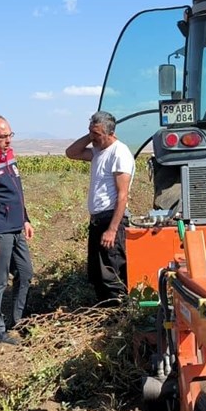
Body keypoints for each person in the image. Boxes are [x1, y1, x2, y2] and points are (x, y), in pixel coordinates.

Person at [65, 110, 134, 305]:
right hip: (98, 220)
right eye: (90, 132)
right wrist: (91, 135)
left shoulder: (119, 153)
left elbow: (122, 195)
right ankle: (104, 311)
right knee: (97, 273)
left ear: (111, 133)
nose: (93, 138)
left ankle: (117, 316)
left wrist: (112, 229)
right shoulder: (98, 151)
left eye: (97, 134)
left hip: (111, 220)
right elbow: (71, 153)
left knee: (111, 274)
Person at [0, 115, 34, 345]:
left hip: (16, 226)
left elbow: (17, 193)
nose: (8, 141)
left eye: (10, 135)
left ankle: (18, 320)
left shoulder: (9, 157)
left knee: (25, 273)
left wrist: (25, 218)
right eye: (3, 137)